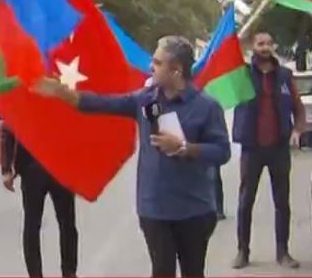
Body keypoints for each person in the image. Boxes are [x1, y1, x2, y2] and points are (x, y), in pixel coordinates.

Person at [34, 35, 230, 278]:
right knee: (162, 272)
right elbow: (103, 103)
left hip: (194, 210)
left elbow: (222, 151)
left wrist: (185, 147)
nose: (151, 66)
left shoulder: (206, 106)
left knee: (193, 272)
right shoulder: (145, 99)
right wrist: (63, 93)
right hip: (154, 210)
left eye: (157, 62)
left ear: (176, 70)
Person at [231, 30, 305, 269]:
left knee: (282, 203)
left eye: (268, 43)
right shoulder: (242, 74)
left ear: (273, 46)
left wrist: (297, 130)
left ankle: (283, 252)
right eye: (260, 43)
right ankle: (243, 251)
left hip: (279, 148)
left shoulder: (284, 76)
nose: (265, 47)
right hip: (251, 148)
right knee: (245, 202)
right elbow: (221, 72)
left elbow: (298, 107)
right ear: (253, 47)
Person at [0, 125, 78, 277]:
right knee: (34, 225)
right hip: (34, 168)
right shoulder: (23, 108)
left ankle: (68, 273)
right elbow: (9, 127)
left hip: (61, 167)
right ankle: (38, 274)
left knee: (66, 224)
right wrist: (6, 168)